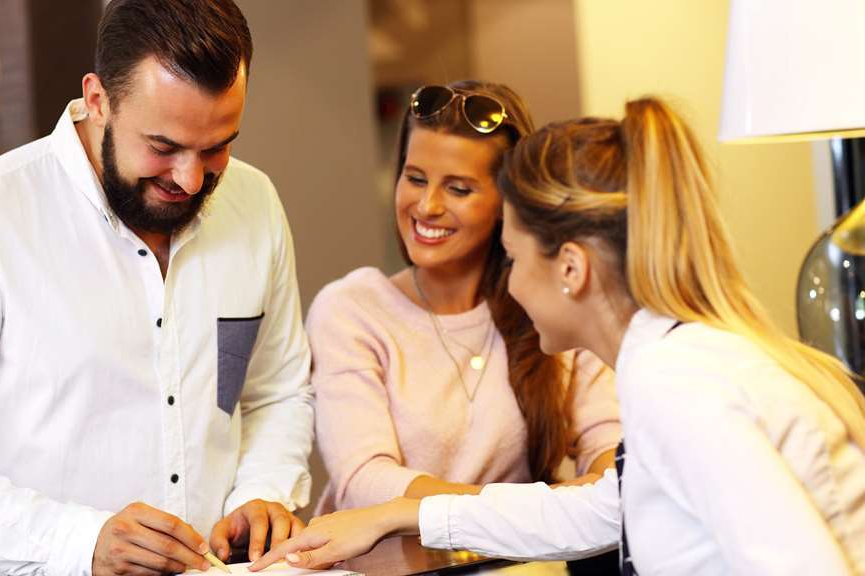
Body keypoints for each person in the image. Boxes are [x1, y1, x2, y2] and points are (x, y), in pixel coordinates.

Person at [250, 97, 865, 575]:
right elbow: (597, 509)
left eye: (513, 259)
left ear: (570, 268)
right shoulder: (673, 356)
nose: (509, 286)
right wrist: (399, 513)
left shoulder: (676, 382)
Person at [0, 1, 313, 575]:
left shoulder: (255, 203)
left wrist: (263, 490)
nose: (192, 178)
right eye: (164, 147)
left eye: (218, 145)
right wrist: (79, 540)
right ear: (98, 99)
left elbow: (277, 391)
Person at [306, 81, 620, 573]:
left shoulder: (552, 311)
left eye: (458, 188)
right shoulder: (352, 307)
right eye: (414, 178)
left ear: (507, 201)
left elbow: (612, 464)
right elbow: (365, 479)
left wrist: (502, 519)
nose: (427, 206)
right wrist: (534, 514)